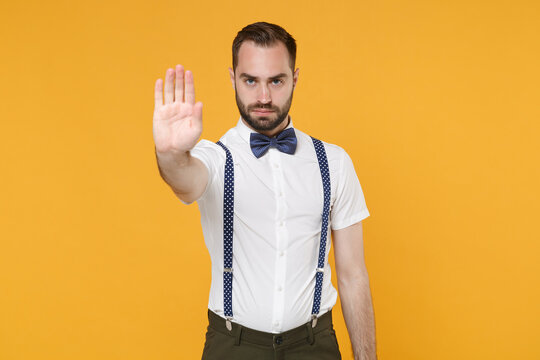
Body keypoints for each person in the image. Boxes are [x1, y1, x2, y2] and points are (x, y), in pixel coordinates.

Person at [153, 22, 377, 360]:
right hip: (233, 347)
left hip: (315, 346)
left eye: (276, 80)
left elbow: (353, 275)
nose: (263, 97)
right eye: (250, 81)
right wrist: (170, 155)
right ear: (233, 79)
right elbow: (184, 181)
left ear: (294, 79)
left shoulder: (334, 162)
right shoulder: (214, 158)